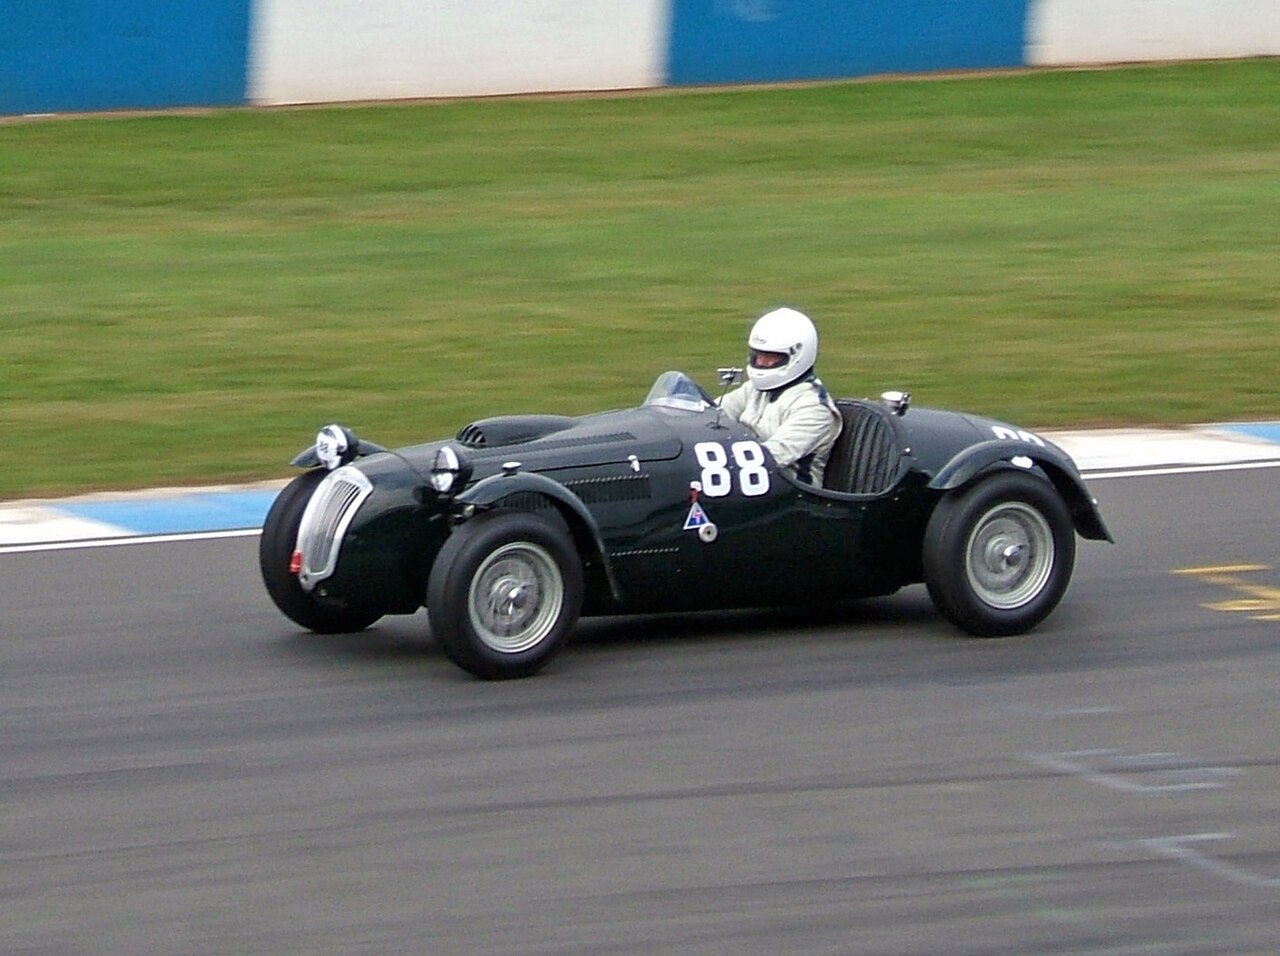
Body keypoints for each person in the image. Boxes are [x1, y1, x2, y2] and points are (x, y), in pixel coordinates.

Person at [719, 306, 843, 486]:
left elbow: (770, 457)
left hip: (789, 499)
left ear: (797, 356)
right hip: (748, 484)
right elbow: (714, 414)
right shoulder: (753, 389)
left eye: (771, 357)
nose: (761, 362)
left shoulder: (815, 408)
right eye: (758, 355)